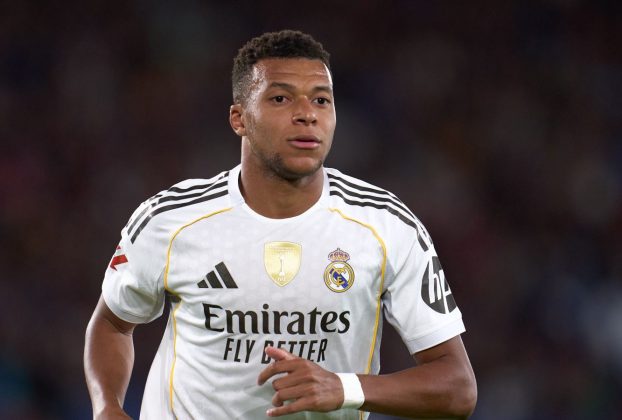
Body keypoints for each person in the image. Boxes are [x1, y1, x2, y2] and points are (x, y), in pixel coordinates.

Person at [84, 29, 477, 419]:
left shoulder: (387, 226)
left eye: (321, 100)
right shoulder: (170, 220)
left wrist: (344, 388)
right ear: (239, 118)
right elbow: (112, 323)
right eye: (280, 98)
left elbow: (458, 387)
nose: (307, 113)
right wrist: (107, 407)